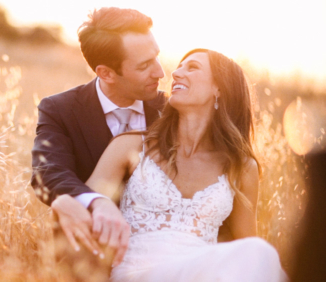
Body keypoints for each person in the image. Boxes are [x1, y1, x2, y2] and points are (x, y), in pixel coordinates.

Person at [52, 48, 288, 281]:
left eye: (192, 67)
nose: (175, 74)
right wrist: (62, 201)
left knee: (259, 252)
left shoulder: (241, 166)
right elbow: (83, 198)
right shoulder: (133, 145)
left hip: (206, 273)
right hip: (138, 273)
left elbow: (245, 244)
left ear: (220, 88)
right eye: (179, 67)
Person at [31, 7, 166, 278]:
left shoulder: (171, 109)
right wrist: (96, 202)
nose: (161, 73)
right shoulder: (60, 109)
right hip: (93, 257)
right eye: (144, 66)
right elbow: (47, 173)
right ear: (106, 73)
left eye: (156, 58)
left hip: (164, 252)